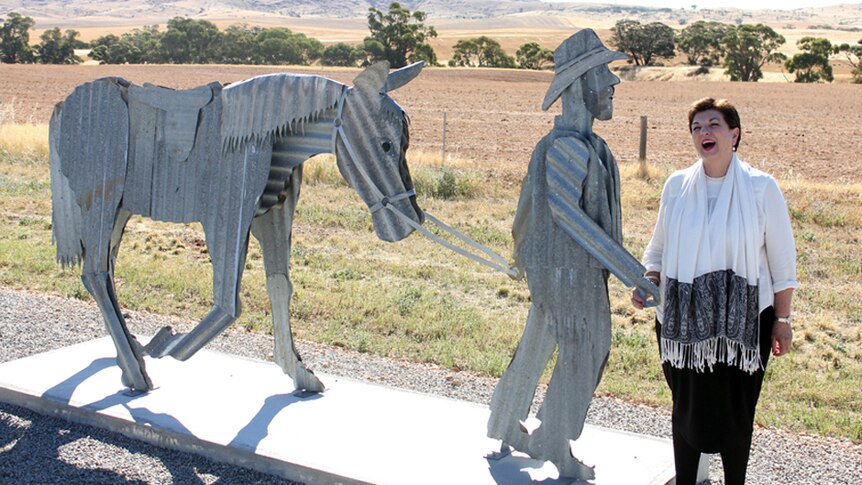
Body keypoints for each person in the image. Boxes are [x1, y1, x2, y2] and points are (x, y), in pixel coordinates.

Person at [487, 29, 659, 480]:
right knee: (587, 348)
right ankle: (554, 444)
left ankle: (505, 421)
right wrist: (631, 271)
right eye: (602, 72)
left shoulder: (588, 146)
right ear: (579, 84)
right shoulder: (566, 147)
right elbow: (566, 213)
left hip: (572, 269)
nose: (613, 83)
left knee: (541, 341)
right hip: (563, 269)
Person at [631, 97, 797, 484]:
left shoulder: (761, 188)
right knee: (686, 409)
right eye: (697, 127)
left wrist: (783, 320)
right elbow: (657, 249)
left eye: (713, 125)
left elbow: (783, 265)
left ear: (734, 134)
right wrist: (649, 280)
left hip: (744, 326)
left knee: (737, 412)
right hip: (682, 326)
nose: (704, 132)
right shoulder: (676, 186)